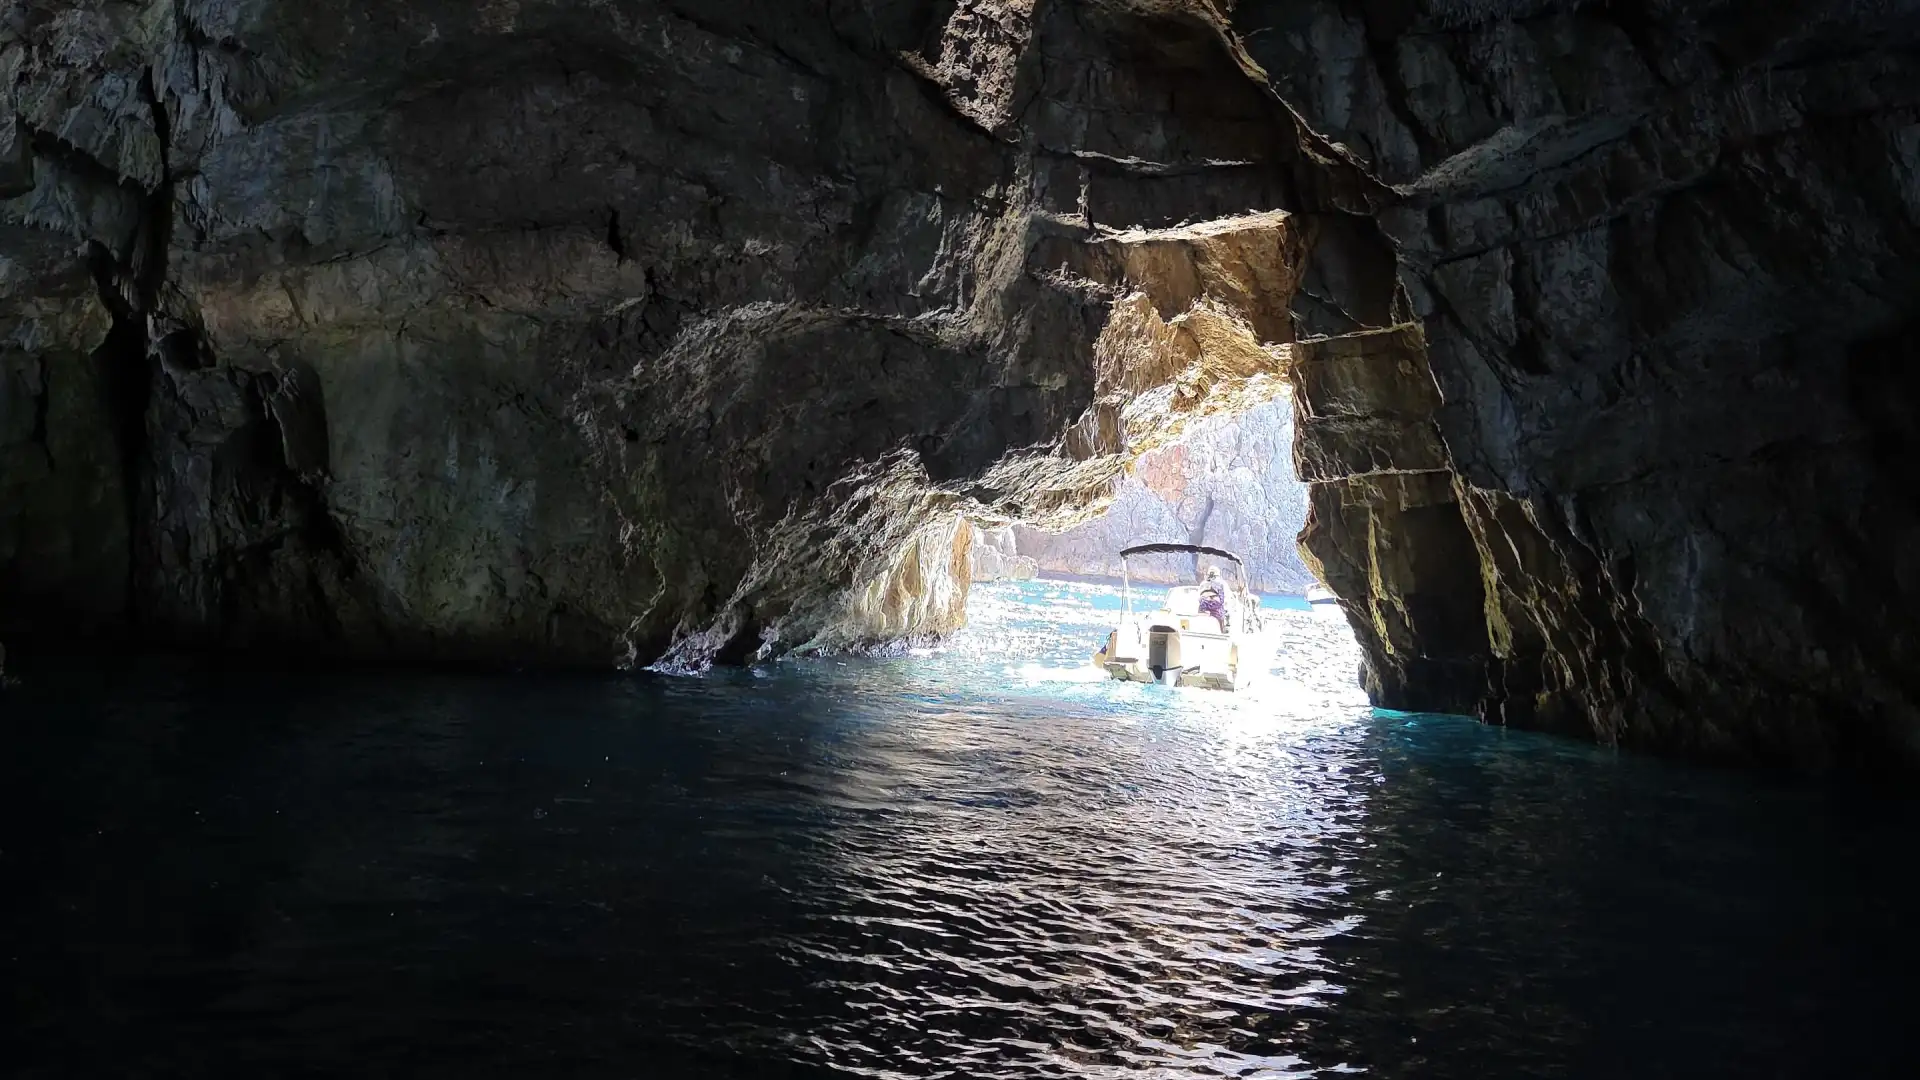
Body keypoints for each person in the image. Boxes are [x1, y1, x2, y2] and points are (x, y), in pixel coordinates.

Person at [1197, 567, 1229, 632]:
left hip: (1203, 606)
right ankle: (1222, 632)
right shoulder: (1222, 584)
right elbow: (1225, 599)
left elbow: (1199, 598)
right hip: (1216, 608)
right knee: (1221, 619)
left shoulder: (1203, 584)